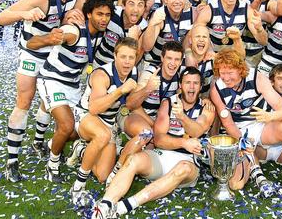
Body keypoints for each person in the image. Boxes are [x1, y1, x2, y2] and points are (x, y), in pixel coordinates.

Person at [0, 0, 87, 182]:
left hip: (53, 50)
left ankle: (38, 142)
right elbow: (1, 17)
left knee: (49, 101)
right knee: (24, 101)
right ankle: (12, 161)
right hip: (32, 50)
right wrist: (24, 14)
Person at [92, 67, 215, 218]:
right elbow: (159, 140)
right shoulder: (168, 103)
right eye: (187, 82)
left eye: (196, 83)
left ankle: (125, 206)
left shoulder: (207, 108)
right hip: (163, 155)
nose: (191, 86)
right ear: (180, 86)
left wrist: (182, 116)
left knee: (183, 169)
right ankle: (105, 205)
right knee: (133, 160)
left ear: (201, 87)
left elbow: (197, 131)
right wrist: (183, 143)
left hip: (188, 161)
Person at [210, 48, 282, 206]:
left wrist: (270, 116)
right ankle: (261, 180)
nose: (225, 77)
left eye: (230, 72)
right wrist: (242, 141)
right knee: (235, 184)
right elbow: (228, 122)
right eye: (222, 73)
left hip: (261, 124)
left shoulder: (257, 77)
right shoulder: (217, 89)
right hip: (238, 131)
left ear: (240, 69)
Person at [35, 0, 110, 183]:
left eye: (107, 15)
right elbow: (46, 39)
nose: (104, 18)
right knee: (66, 125)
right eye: (99, 14)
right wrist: (51, 38)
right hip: (52, 80)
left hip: (74, 86)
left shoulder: (99, 37)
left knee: (77, 131)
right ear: (88, 14)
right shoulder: (74, 31)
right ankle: (52, 165)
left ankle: (53, 145)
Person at [69, 37, 140, 207]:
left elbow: (131, 103)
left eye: (131, 57)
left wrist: (147, 89)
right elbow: (94, 108)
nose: (127, 62)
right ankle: (78, 186)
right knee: (102, 135)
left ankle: (80, 150)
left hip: (108, 122)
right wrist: (121, 90)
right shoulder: (102, 74)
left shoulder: (134, 72)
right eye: (123, 57)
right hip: (87, 115)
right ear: (115, 56)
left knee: (102, 175)